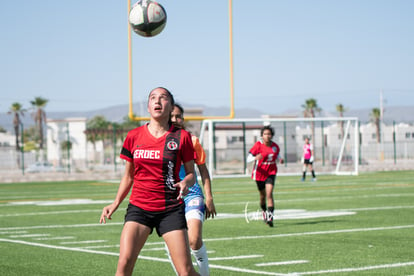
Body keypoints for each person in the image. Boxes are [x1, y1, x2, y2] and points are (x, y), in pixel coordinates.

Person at [99, 87, 200, 276]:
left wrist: (186, 182)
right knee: (124, 263)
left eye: (163, 98)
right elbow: (129, 176)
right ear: (148, 106)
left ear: (170, 106)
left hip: (170, 209)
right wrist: (115, 203)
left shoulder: (182, 137)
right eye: (153, 98)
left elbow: (191, 174)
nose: (158, 101)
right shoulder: (133, 136)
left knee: (185, 271)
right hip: (139, 208)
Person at [166, 103, 216, 276]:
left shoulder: (192, 140)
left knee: (194, 240)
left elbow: (203, 171)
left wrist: (209, 198)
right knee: (174, 248)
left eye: (178, 116)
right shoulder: (159, 142)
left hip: (192, 194)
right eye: (171, 116)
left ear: (183, 118)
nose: (175, 120)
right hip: (170, 199)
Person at [246, 125, 283, 227]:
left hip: (271, 172)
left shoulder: (275, 146)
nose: (267, 136)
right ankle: (264, 212)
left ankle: (270, 218)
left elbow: (276, 154)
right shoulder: (258, 145)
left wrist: (280, 159)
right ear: (262, 135)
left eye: (269, 134)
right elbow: (248, 159)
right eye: (265, 134)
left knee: (269, 194)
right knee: (262, 197)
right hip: (260, 173)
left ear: (272, 135)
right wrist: (255, 158)